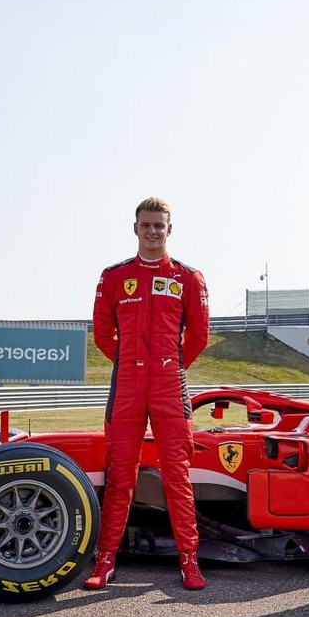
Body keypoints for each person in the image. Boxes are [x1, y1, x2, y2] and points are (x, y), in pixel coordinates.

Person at [84, 197, 210, 591]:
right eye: (146, 225)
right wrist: (132, 364)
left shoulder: (189, 278)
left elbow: (200, 337)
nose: (152, 231)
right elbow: (103, 335)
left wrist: (169, 366)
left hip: (171, 386)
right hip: (127, 387)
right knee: (120, 475)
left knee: (178, 476)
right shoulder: (113, 277)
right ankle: (104, 561)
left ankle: (190, 561)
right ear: (135, 228)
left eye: (159, 225)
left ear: (169, 230)